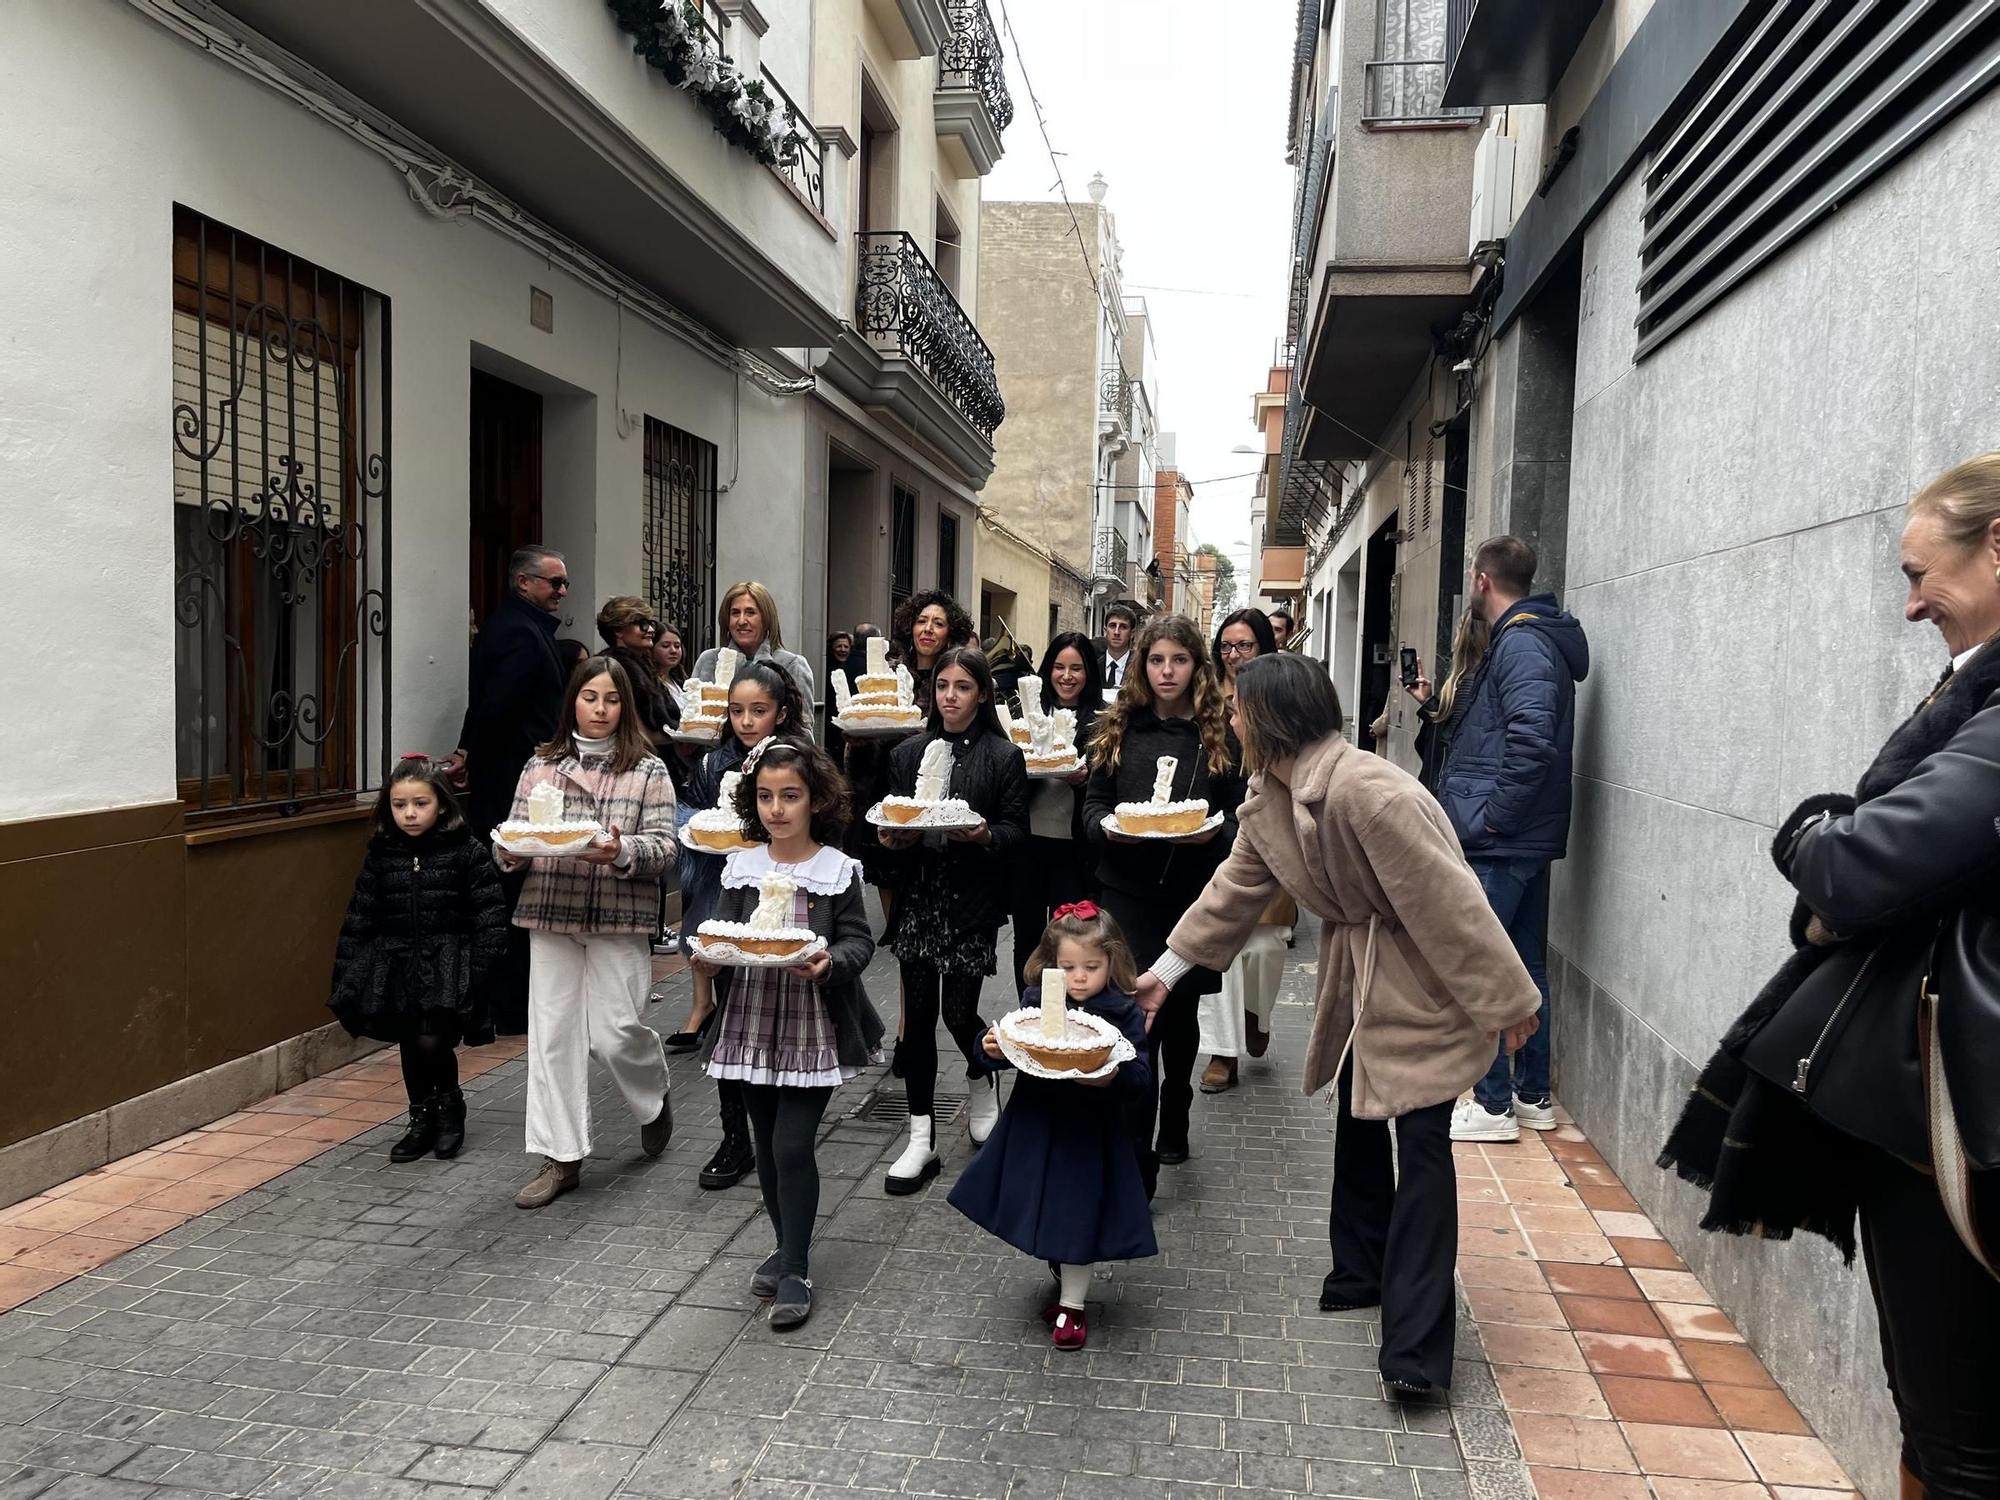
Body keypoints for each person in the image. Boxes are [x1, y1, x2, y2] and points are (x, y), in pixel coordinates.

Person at [1662, 454, 2000, 1500]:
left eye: (1918, 572)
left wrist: (1810, 825)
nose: (1907, 607)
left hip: (1961, 1120)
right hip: (1951, 1110)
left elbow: (1853, 866)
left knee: (1956, 1440)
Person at [1134, 652, 1540, 1394]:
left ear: (1272, 717)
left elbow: (1451, 908)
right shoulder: (1268, 794)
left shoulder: (1369, 792)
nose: (1226, 716)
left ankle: (1416, 1353)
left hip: (1428, 982)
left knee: (1421, 1150)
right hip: (1361, 977)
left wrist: (1509, 1003)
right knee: (1357, 1120)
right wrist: (1164, 975)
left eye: (1236, 706)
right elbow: (1234, 890)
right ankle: (1360, 1271)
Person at [692, 737, 883, 1332]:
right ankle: (783, 1242)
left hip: (811, 1025)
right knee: (767, 1141)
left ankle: (797, 1266)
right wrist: (706, 958)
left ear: (815, 801)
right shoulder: (742, 865)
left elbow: (858, 940)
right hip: (750, 1020)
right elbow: (715, 931)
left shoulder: (836, 869)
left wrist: (831, 963)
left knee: (793, 1146)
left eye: (791, 797)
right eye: (767, 797)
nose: (777, 809)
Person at [498, 656, 678, 1209]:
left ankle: (652, 1096)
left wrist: (621, 850)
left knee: (613, 1032)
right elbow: (517, 836)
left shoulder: (648, 770)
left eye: (612, 700)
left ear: (625, 706)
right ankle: (561, 1157)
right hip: (551, 911)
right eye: (590, 697)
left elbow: (667, 848)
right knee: (552, 1036)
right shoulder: (540, 766)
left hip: (617, 915)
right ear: (572, 701)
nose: (600, 710)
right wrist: (508, 851)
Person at [1429, 536, 1589, 1143]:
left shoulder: (1521, 641)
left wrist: (1492, 819)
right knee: (1524, 965)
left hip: (1504, 839)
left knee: (1485, 966)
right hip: (1520, 837)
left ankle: (1493, 1105)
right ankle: (1530, 1096)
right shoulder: (1529, 637)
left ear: (1481, 580)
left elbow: (1531, 740)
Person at [947, 902, 1156, 1352]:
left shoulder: (1121, 1012)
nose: (1079, 977)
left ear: (1113, 963)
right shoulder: (1035, 1003)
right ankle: (1063, 1274)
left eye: (1091, 967)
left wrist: (1112, 1074)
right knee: (1043, 1209)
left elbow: (1141, 1075)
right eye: (1068, 966)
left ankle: (1073, 1307)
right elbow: (1009, 1050)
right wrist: (991, 1049)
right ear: (1050, 964)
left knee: (1075, 1216)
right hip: (1036, 1125)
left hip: (1089, 1133)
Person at [1084, 614, 1246, 1189]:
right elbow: (1094, 805)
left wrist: (1212, 838)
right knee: (1136, 1016)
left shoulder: (1219, 736)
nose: (1167, 671)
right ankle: (1138, 1149)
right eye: (1156, 660)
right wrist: (1108, 827)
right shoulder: (1116, 727)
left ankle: (1176, 1104)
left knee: (1179, 1013)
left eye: (1178, 660)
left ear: (1197, 667)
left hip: (1193, 895)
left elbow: (1238, 819)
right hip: (1128, 895)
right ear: (1141, 665)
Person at [877, 644, 1030, 1190]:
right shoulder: (909, 752)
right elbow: (893, 817)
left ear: (982, 694)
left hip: (970, 900)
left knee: (960, 1014)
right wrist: (892, 839)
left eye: (963, 687)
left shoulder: (1002, 756)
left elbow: (1017, 831)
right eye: (943, 686)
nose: (951, 697)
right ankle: (921, 1138)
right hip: (920, 896)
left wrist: (986, 834)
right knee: (917, 1018)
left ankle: (983, 1075)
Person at [671, 661, 808, 1192]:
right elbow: (689, 815)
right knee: (730, 1022)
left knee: (781, 1021)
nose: (747, 721)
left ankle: (781, 1130)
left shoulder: (797, 762)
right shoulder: (712, 764)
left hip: (787, 908)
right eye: (737, 711)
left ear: (782, 711)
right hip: (725, 905)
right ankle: (735, 1137)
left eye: (759, 711)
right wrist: (699, 829)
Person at [330, 757, 508, 1163]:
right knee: (411, 1041)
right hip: (397, 963)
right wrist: (347, 972)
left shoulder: (465, 851)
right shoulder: (383, 853)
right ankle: (420, 1117)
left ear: (441, 805)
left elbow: (489, 914)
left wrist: (478, 973)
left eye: (420, 803)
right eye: (399, 804)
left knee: (433, 1039)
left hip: (448, 963)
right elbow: (361, 915)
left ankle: (449, 1109)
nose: (409, 813)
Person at [448, 546, 570, 1032]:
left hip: (514, 777)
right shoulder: (519, 633)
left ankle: (513, 1004)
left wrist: (466, 750)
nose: (562, 591)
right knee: (508, 894)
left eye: (564, 583)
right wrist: (473, 756)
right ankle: (507, 1006)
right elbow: (495, 706)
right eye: (554, 582)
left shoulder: (524, 628)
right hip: (512, 786)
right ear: (524, 583)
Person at [1198, 609, 1292, 1095]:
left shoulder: (1284, 696)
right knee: (1226, 953)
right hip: (1220, 838)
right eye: (1227, 648)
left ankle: (1258, 1012)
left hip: (1273, 835)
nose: (1234, 657)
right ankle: (1223, 1052)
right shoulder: (1206, 701)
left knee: (1266, 949)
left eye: (1244, 647)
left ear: (1264, 649)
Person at [1006, 631, 1105, 987]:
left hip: (1074, 848)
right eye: (1059, 667)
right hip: (1029, 844)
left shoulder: (1103, 721)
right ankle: (1028, 1012)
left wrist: (1085, 780)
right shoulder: (1027, 715)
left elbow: (1110, 779)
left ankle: (1067, 1015)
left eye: (1076, 668)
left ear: (1089, 673)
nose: (1067, 676)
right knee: (1029, 940)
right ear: (1047, 670)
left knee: (1070, 939)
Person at [693, 582, 817, 739]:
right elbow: (691, 720)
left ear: (766, 618)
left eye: (750, 613)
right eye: (735, 613)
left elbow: (804, 732)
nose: (742, 621)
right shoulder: (708, 661)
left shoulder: (793, 665)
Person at [1402, 610, 1490, 794]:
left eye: (1457, 633)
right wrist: (1429, 703)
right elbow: (1435, 749)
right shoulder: (1460, 686)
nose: (1454, 642)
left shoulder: (1471, 687)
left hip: (1447, 798)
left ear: (1468, 639)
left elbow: (1445, 753)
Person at [597, 597, 676, 756]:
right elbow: (637, 733)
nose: (651, 630)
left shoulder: (642, 665)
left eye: (651, 623)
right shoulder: (615, 668)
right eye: (642, 624)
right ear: (618, 630)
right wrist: (679, 738)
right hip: (629, 761)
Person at [1100, 601, 1140, 693]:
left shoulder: (1140, 667)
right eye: (1113, 626)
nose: (1117, 632)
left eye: (1123, 627)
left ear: (1132, 633)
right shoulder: (1092, 666)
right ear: (1105, 631)